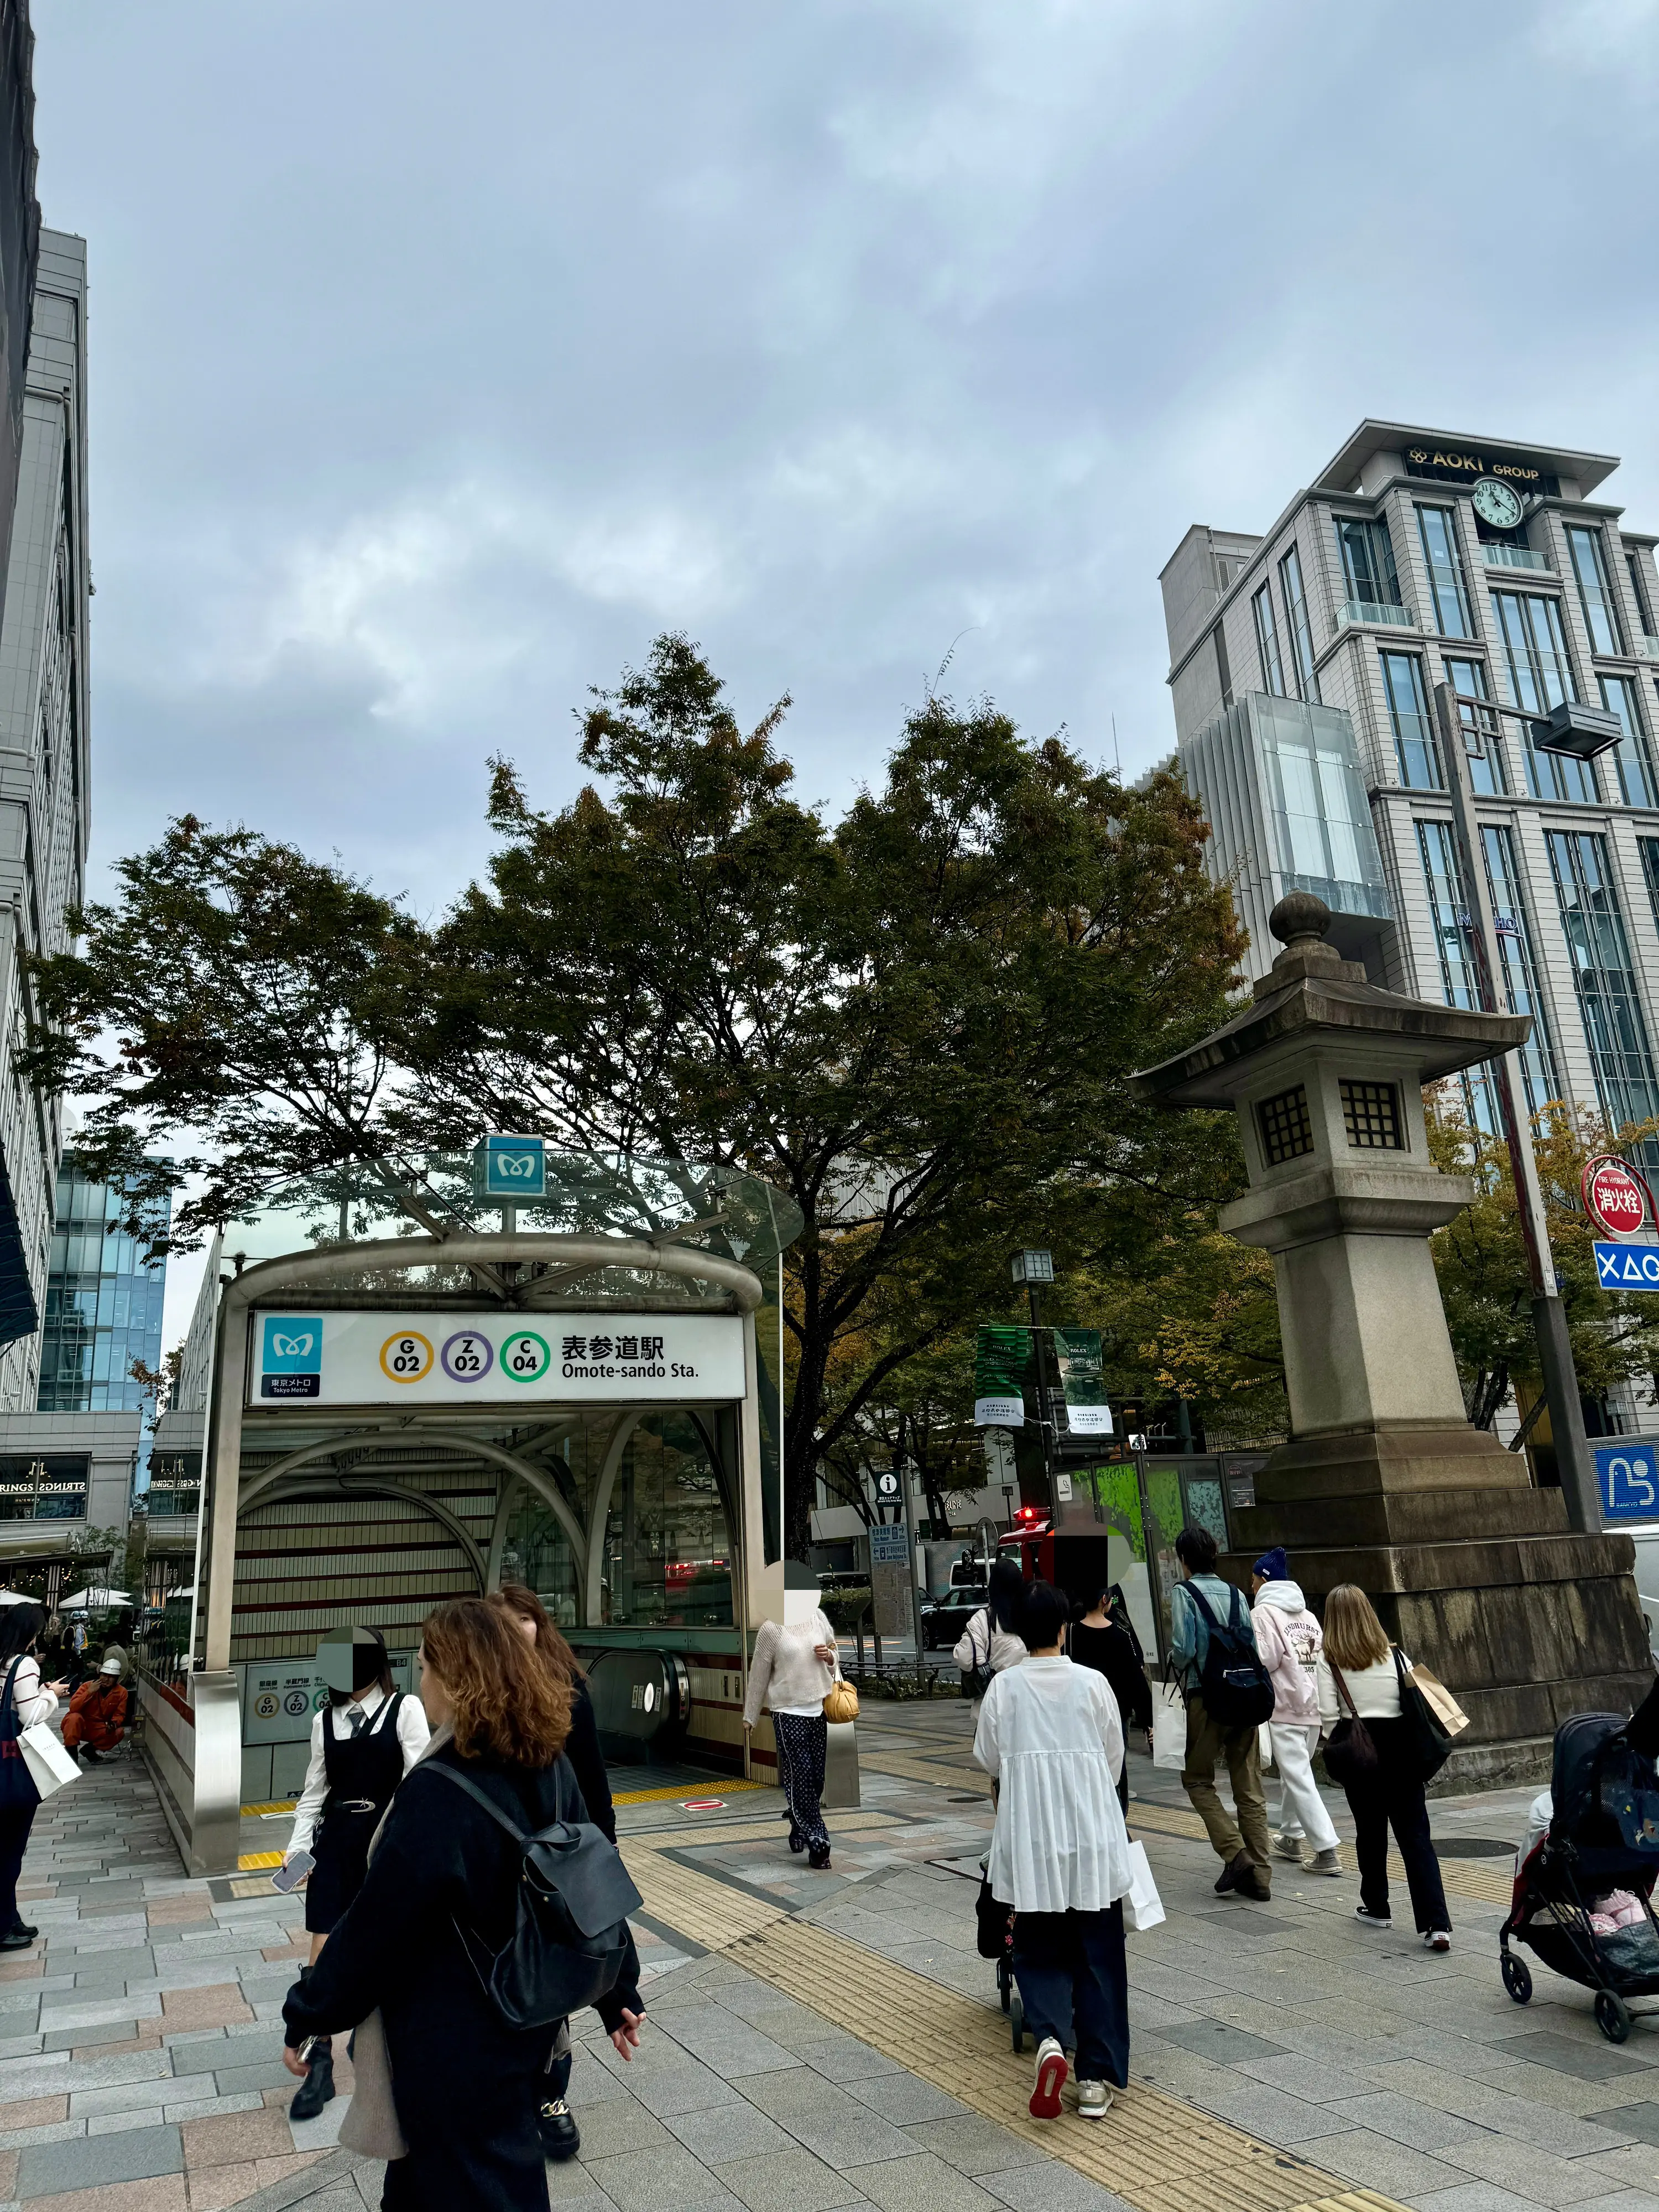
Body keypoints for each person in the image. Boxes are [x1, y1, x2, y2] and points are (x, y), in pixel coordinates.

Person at [281, 1598, 644, 2211]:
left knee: (468, 2178)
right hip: (526, 2016)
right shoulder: (548, 1760)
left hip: (451, 2031)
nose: (421, 1681)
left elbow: (376, 1926)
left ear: (455, 1677)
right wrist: (616, 1993)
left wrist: (307, 2011)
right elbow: (586, 1879)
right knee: (472, 2171)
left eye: (425, 1667)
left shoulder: (439, 1788)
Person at [974, 1580, 1133, 2123]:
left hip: (1030, 1839)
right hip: (1090, 1836)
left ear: (1018, 1629)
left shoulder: (1003, 1689)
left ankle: (1047, 2038)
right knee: (1098, 1957)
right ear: (1064, 1628)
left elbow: (990, 1759)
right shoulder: (1092, 1685)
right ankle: (1094, 2079)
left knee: (1037, 1949)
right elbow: (1114, 1763)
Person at [281, 1626, 430, 2121]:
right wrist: (297, 1852)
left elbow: (419, 1783)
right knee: (322, 1951)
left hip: (385, 1850)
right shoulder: (324, 1721)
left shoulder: (404, 1709)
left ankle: (394, 2055)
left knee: (394, 1952)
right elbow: (313, 1794)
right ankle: (316, 2061)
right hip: (336, 1850)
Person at [486, 1586, 612, 2163]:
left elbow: (592, 1782)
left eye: (525, 1619)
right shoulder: (483, 1693)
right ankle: (526, 2087)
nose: (516, 1630)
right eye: (503, 1622)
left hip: (560, 1856)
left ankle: (549, 2092)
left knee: (551, 1973)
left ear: (541, 1624)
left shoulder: (570, 1690)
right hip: (499, 1860)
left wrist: (604, 1859)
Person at [1314, 1583, 1451, 1952]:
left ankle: (1377, 1906)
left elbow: (1328, 1718)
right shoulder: (1396, 1655)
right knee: (1416, 1838)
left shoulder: (1330, 1660)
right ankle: (1436, 1925)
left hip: (1362, 1753)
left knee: (1370, 1833)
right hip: (1403, 1751)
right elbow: (1424, 1698)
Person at [1168, 1525, 1272, 1902]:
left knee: (1197, 1779)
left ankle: (1235, 1853)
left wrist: (1173, 1659)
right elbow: (1250, 1642)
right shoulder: (1235, 1593)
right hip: (1246, 1695)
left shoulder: (1185, 1592)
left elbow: (1183, 1648)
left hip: (1207, 1698)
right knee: (1248, 1784)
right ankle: (1260, 1876)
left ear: (1184, 1560)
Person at [1248, 1548, 1340, 1877]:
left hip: (1284, 1705)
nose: (1252, 1585)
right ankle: (1290, 1837)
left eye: (1254, 1578)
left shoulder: (1262, 1614)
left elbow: (1266, 1657)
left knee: (1298, 1777)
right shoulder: (1308, 1616)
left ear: (1264, 1579)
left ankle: (1327, 1848)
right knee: (1296, 1773)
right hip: (1312, 1705)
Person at [744, 1588, 841, 1870]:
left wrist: (830, 1658)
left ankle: (798, 1822)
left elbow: (836, 1659)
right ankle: (818, 1841)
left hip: (818, 1710)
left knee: (816, 1779)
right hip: (787, 1712)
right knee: (801, 1774)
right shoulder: (771, 1629)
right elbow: (758, 1675)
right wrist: (750, 1716)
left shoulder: (817, 1618)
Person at [0, 1604, 63, 1950]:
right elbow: (29, 1716)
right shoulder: (23, 1664)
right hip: (10, 1771)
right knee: (10, 1850)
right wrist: (50, 1695)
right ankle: (3, 1926)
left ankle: (10, 1917)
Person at [1066, 1584, 1150, 1812]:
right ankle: (1117, 1817)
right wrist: (1148, 1720)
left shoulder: (1072, 1634)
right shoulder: (1121, 1636)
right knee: (1116, 1765)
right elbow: (1136, 1681)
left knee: (1086, 1768)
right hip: (1117, 1714)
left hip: (1081, 1716)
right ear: (1105, 1600)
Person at [953, 1555, 1029, 1713]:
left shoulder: (983, 1619)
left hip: (992, 1706)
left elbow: (965, 1657)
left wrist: (987, 1670)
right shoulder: (1030, 1614)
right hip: (1028, 1702)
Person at [61, 1656, 131, 1764]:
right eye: (104, 1675)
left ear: (117, 1678)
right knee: (73, 1718)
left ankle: (90, 1751)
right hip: (81, 1725)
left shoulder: (122, 1692)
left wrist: (114, 1724)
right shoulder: (87, 1686)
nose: (106, 1679)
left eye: (111, 1677)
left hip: (99, 1728)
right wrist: (89, 1692)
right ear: (100, 1675)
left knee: (119, 1732)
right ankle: (72, 1756)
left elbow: (120, 1714)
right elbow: (73, 1707)